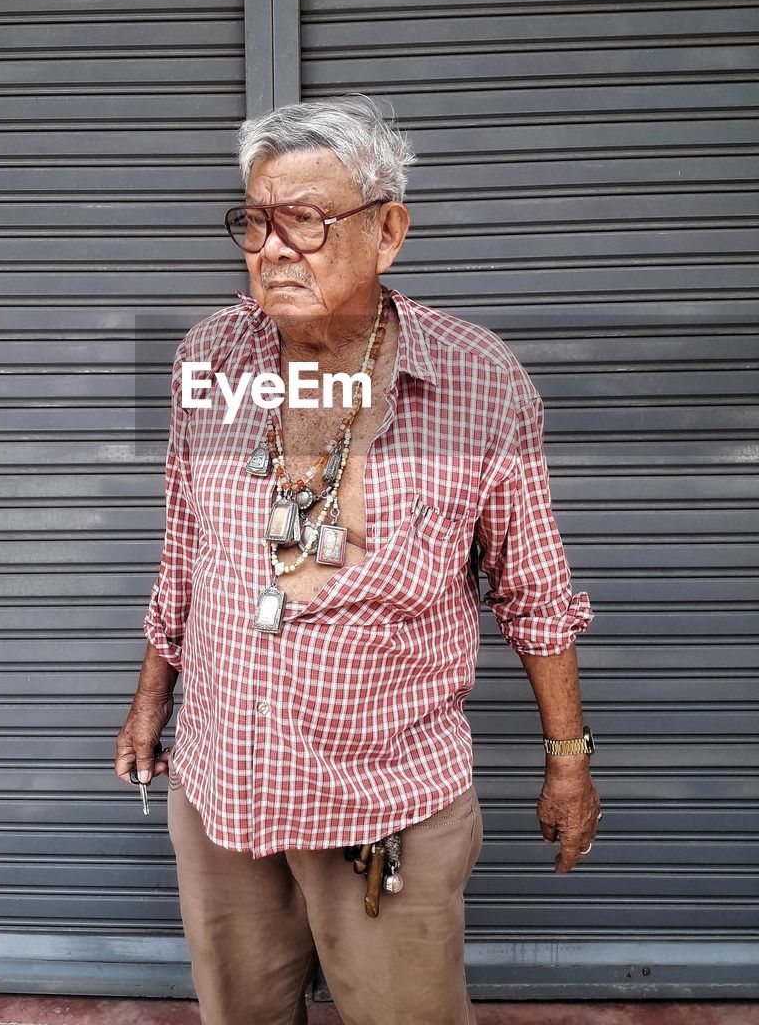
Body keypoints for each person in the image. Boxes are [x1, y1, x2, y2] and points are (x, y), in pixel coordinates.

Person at [115, 94, 602, 1025]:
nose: (270, 248)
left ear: (387, 232)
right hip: (224, 779)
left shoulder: (478, 381)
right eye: (255, 222)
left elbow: (535, 592)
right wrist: (152, 697)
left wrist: (567, 761)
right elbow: (185, 546)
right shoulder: (210, 360)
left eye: (304, 220)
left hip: (384, 801)